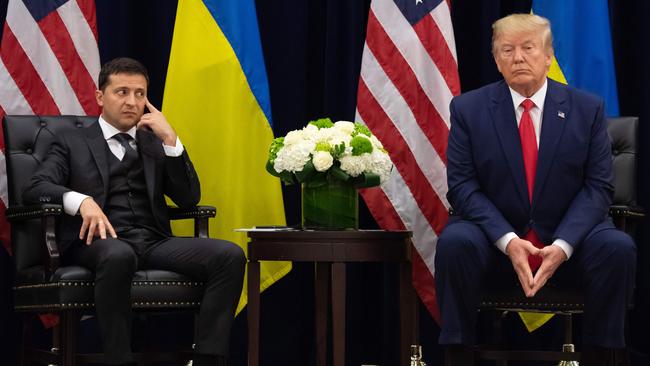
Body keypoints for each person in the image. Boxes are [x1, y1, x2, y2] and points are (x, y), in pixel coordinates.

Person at [434, 13, 636, 365]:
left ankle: (603, 357)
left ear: (548, 56)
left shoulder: (586, 109)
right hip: (495, 246)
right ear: (496, 60)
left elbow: (598, 188)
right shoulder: (468, 109)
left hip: (568, 244)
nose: (518, 58)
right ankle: (458, 356)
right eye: (507, 50)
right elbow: (463, 187)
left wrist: (561, 246)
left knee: (617, 247)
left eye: (528, 48)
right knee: (454, 243)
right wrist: (509, 241)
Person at [22, 57, 245, 366]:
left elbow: (188, 198)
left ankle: (207, 358)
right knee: (118, 255)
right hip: (97, 242)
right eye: (122, 92)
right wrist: (80, 201)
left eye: (140, 94)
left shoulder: (153, 142)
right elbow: (35, 187)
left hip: (153, 241)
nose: (132, 101)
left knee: (230, 256)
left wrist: (172, 142)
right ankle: (119, 360)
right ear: (101, 97)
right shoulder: (70, 140)